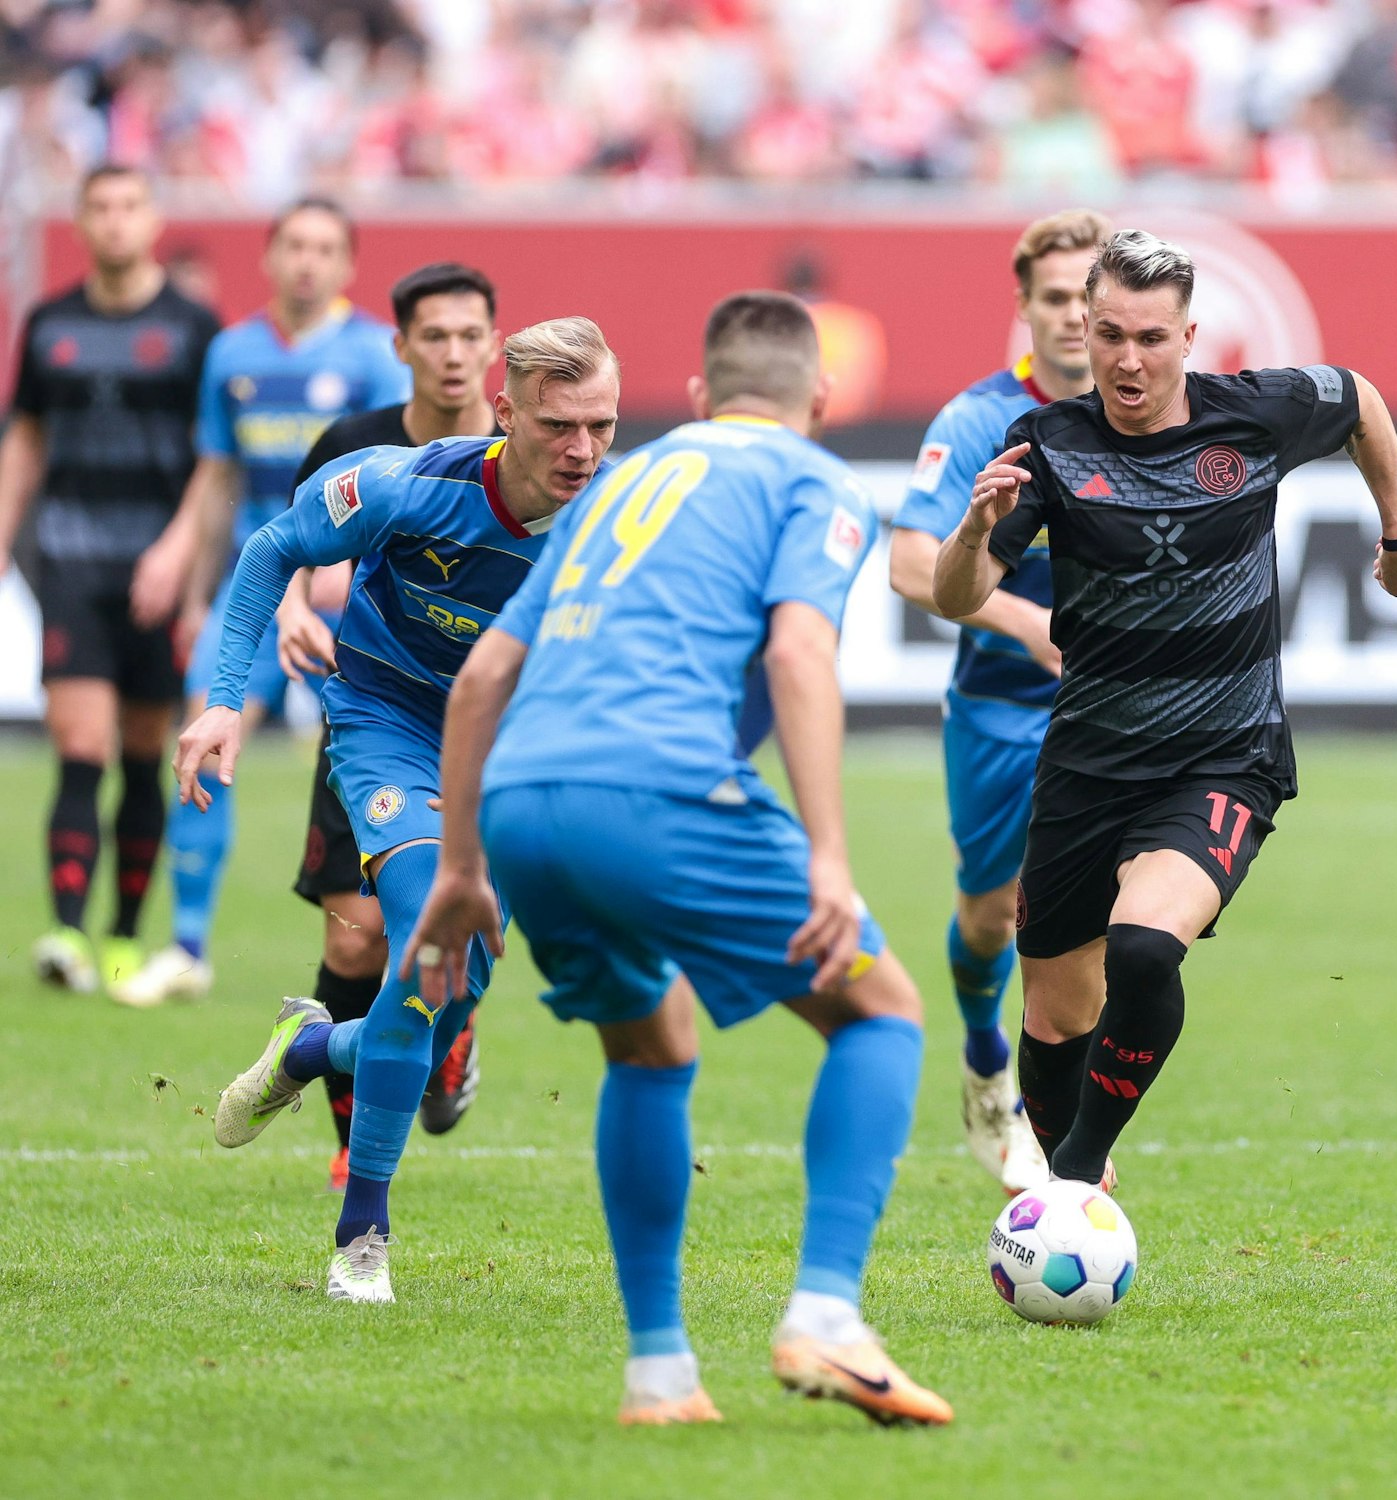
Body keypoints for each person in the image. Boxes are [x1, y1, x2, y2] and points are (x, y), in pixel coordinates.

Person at [404, 292, 952, 1427]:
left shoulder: (614, 485)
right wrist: (830, 856)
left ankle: (659, 1377)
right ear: (820, 399)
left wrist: (459, 870)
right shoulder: (813, 480)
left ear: (700, 396)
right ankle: (826, 1318)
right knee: (882, 1010)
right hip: (656, 789)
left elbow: (482, 678)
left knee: (650, 1044)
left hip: (521, 807)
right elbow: (798, 653)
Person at [932, 230, 1397, 1190]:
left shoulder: (1257, 415)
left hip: (1224, 758)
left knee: (1144, 948)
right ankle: (1071, 1178)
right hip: (1086, 763)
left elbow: (1360, 399)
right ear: (1086, 330)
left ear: (1189, 338)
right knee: (1054, 1021)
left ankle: (1075, 1178)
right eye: (1110, 335)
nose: (1128, 360)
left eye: (1151, 338)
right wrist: (971, 531)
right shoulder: (1046, 442)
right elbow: (960, 597)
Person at [175, 318, 618, 1304]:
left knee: (447, 991)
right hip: (391, 726)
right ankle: (361, 1238)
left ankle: (309, 1046)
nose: (582, 449)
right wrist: (223, 701)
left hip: (513, 755)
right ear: (506, 414)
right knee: (426, 941)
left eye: (602, 425)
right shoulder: (406, 483)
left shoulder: (621, 522)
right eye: (558, 425)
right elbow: (272, 549)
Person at [119, 197, 409, 1008]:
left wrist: (344, 571)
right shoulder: (232, 353)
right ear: (270, 257)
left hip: (346, 592)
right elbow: (217, 476)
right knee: (205, 735)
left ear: (347, 264)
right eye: (295, 246)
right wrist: (190, 576)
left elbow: (395, 483)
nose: (308, 261)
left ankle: (396, 946)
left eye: (324, 248)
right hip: (254, 585)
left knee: (379, 758)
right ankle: (187, 946)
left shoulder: (374, 354)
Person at [888, 208, 1108, 1193]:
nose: (1072, 316)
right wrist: (1025, 624)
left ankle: (1064, 1129)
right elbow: (907, 564)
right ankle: (985, 1056)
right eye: (1053, 298)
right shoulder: (980, 419)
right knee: (989, 918)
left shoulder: (1149, 415)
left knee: (1097, 923)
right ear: (1024, 305)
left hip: (1115, 711)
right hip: (1001, 708)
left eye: (1086, 297)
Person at [275, 262, 504, 1190]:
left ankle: (452, 1032)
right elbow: (293, 546)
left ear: (494, 345)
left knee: (454, 938)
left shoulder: (529, 453)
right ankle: (351, 1142)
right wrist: (295, 606)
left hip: (486, 728)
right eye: (434, 336)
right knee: (353, 941)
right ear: (401, 345)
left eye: (470, 335)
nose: (453, 354)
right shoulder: (353, 444)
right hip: (373, 708)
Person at [0, 166, 218, 998]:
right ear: (82, 221)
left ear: (152, 219)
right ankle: (66, 933)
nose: (116, 221)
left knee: (142, 751)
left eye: (130, 206)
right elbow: (26, 436)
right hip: (71, 557)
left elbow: (216, 457)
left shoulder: (194, 328)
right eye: (100, 207)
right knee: (81, 747)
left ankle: (124, 935)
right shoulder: (50, 323)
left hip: (159, 566)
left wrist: (179, 553)